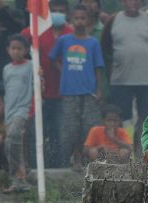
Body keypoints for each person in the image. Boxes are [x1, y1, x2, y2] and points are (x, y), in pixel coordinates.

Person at [101, 0, 148, 157]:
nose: (133, 2)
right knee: (123, 118)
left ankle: (144, 151)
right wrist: (110, 73)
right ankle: (127, 152)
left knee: (146, 118)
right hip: (121, 79)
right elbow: (105, 48)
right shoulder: (113, 20)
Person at [50, 5, 105, 170]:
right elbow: (53, 58)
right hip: (69, 91)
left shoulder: (93, 43)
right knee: (72, 128)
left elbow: (98, 67)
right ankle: (76, 157)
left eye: (83, 18)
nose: (80, 21)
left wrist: (99, 89)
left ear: (88, 20)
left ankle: (90, 159)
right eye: (77, 18)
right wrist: (63, 70)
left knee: (89, 126)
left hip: (88, 91)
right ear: (71, 20)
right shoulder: (64, 40)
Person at [21, 0, 73, 167]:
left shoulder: (71, 32)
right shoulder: (36, 30)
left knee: (61, 132)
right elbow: (17, 45)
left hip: (63, 93)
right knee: (36, 132)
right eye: (54, 9)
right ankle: (36, 167)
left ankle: (60, 166)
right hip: (39, 93)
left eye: (61, 10)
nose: (57, 12)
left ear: (66, 12)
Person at [2, 34, 32, 192]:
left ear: (26, 50)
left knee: (14, 137)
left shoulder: (31, 66)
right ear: (8, 50)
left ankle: (21, 173)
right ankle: (17, 181)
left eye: (19, 48)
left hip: (23, 109)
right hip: (10, 110)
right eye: (13, 48)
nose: (16, 51)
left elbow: (37, 88)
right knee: (9, 144)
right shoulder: (6, 69)